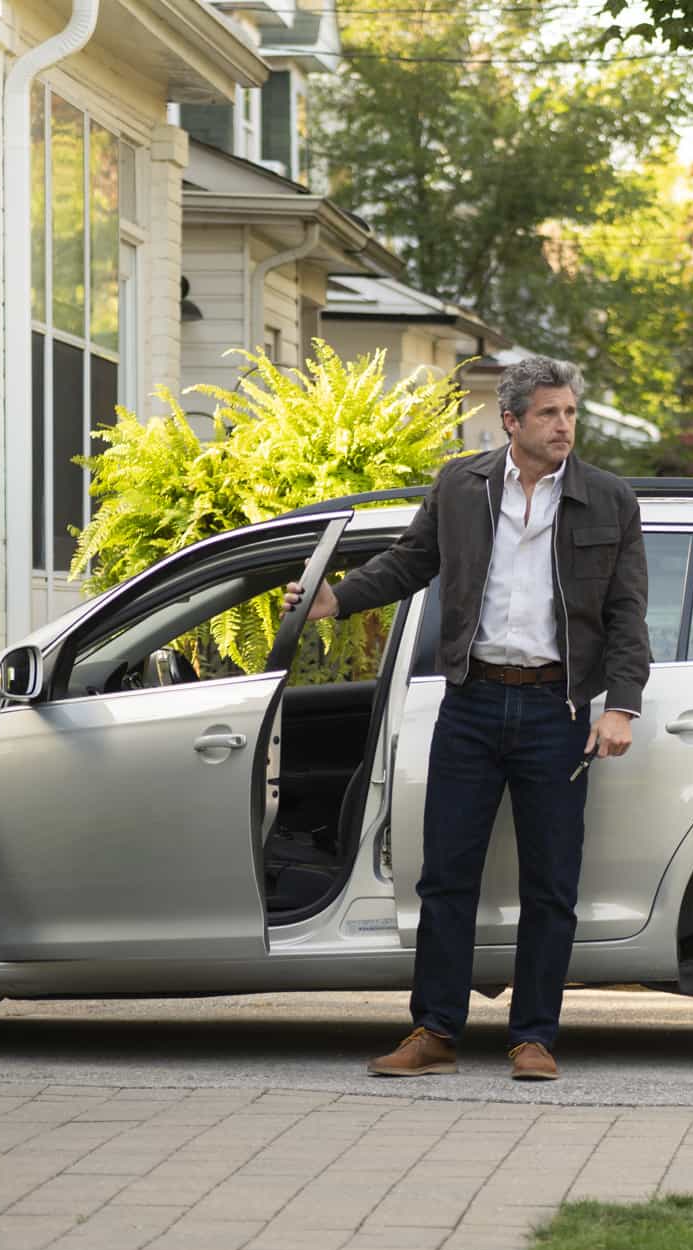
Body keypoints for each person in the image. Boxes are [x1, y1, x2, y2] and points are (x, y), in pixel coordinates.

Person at [284, 356, 650, 1082]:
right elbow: (409, 562)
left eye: (570, 413)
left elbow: (627, 612)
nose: (563, 426)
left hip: (557, 709)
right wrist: (336, 599)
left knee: (552, 882)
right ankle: (435, 1032)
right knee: (447, 876)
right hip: (472, 703)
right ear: (510, 420)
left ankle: (534, 1036)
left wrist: (623, 705)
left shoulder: (609, 500)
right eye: (548, 413)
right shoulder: (461, 485)